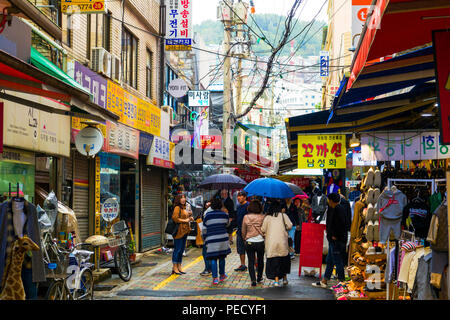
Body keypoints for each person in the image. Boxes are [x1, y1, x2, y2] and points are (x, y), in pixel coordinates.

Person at [312, 193, 348, 288]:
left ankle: (342, 282)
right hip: (333, 239)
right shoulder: (333, 208)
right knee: (330, 260)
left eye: (328, 199)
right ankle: (325, 280)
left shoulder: (338, 209)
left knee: (337, 260)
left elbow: (341, 224)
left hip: (336, 240)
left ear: (331, 200)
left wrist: (335, 235)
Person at [261, 198, 293, 287]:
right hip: (282, 242)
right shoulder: (283, 215)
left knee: (274, 261)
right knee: (284, 260)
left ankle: (276, 280)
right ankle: (285, 278)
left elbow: (263, 229)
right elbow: (290, 226)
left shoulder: (267, 217)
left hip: (271, 243)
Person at [203, 198, 232, 285]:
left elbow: (204, 229)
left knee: (213, 258)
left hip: (211, 239)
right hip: (222, 238)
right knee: (222, 257)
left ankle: (215, 278)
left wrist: (205, 239)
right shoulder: (224, 214)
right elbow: (228, 224)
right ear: (220, 205)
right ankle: (222, 275)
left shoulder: (207, 215)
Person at [242, 199, 266, 286]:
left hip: (249, 242)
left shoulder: (246, 217)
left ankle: (253, 280)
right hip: (260, 241)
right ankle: (259, 277)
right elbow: (265, 229)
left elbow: (243, 230)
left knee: (251, 261)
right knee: (260, 260)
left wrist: (244, 238)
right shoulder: (263, 217)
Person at [171, 194, 194, 275]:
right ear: (178, 199)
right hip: (179, 232)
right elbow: (175, 218)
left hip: (184, 231)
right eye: (181, 198)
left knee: (181, 250)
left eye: (184, 197)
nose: (183, 199)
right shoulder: (177, 208)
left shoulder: (183, 208)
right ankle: (174, 267)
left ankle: (179, 266)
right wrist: (186, 220)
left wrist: (190, 217)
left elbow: (185, 218)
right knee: (177, 250)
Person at [234, 191, 249, 272]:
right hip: (239, 230)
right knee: (240, 249)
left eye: (240, 196)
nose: (238, 198)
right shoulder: (238, 206)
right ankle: (243, 265)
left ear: (245, 197)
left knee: (250, 249)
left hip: (248, 231)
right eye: (238, 196)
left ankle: (255, 264)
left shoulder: (248, 206)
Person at [199, 200, 212, 276]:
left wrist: (202, 234)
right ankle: (209, 269)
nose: (207, 204)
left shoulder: (208, 211)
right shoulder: (217, 211)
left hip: (207, 234)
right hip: (213, 235)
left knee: (205, 252)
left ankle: (208, 269)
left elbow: (205, 226)